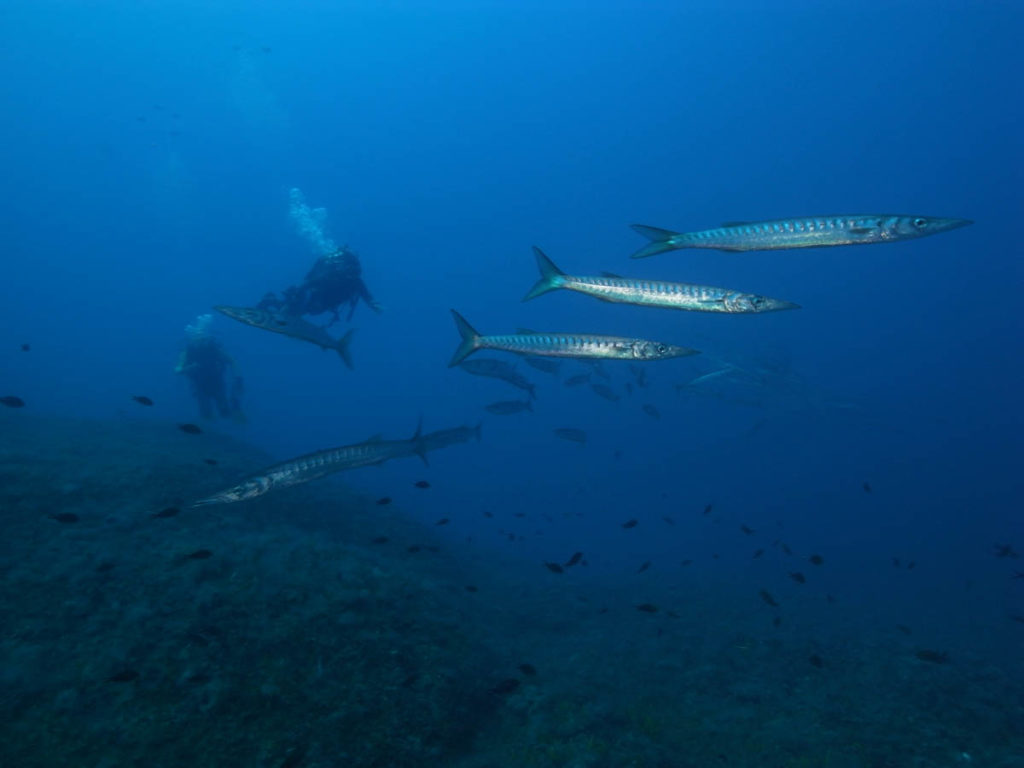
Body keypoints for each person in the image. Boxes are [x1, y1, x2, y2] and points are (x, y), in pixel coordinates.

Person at [260, 245, 381, 325]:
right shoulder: (332, 275)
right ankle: (272, 302)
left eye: (354, 272)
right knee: (294, 312)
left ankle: (274, 302)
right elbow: (309, 283)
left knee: (301, 312)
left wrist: (372, 304)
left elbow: (366, 295)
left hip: (323, 304)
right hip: (314, 298)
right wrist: (297, 293)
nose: (352, 275)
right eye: (350, 271)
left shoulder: (356, 281)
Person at [175, 314, 245, 422]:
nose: (200, 341)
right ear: (191, 338)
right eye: (196, 338)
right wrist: (189, 367)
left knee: (224, 411)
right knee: (206, 413)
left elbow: (232, 361)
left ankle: (234, 411)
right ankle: (209, 433)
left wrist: (238, 378)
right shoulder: (187, 351)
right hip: (199, 384)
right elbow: (177, 370)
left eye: (202, 338)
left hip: (217, 382)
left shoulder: (214, 348)